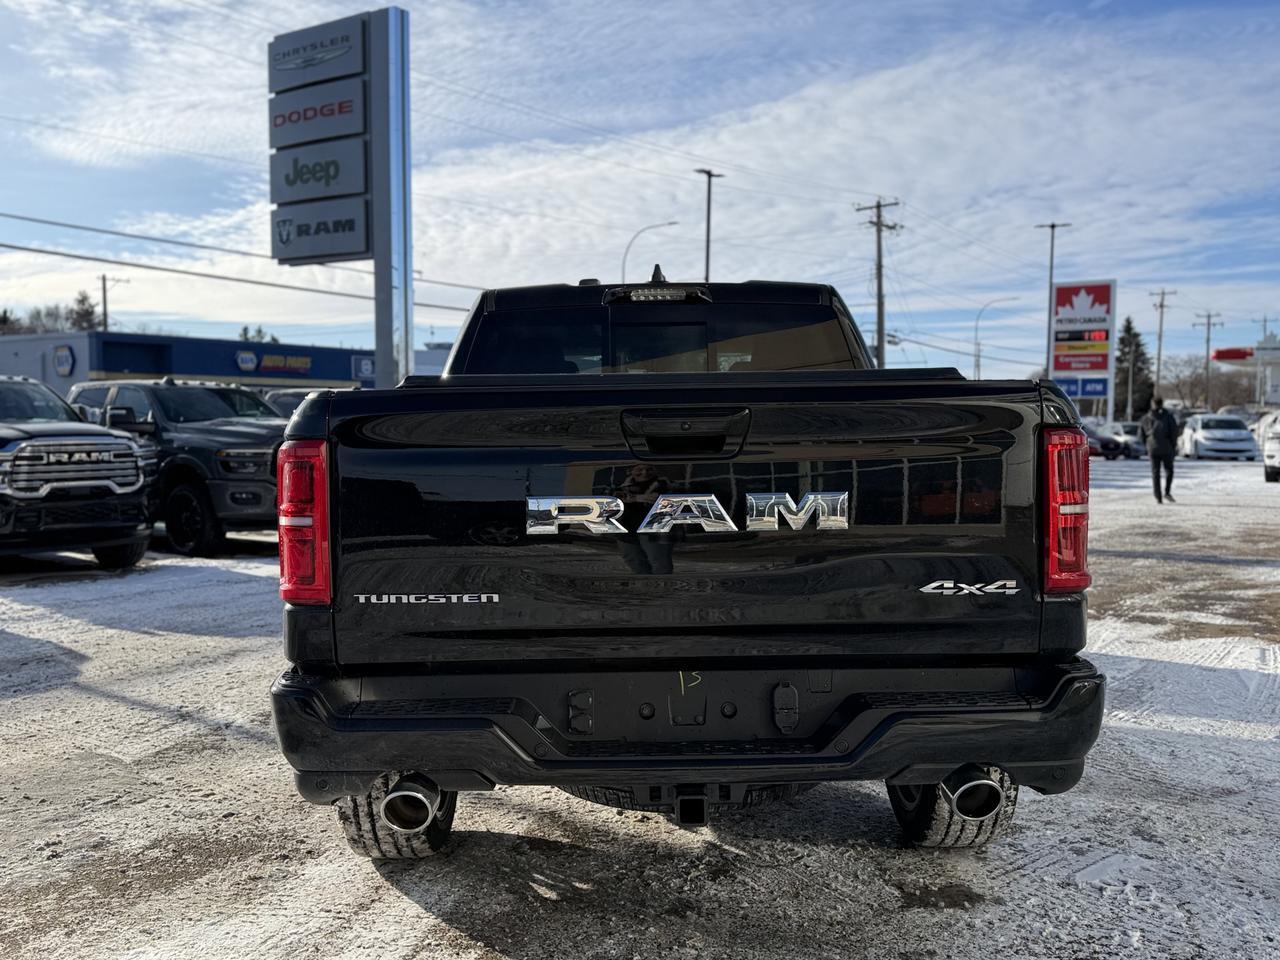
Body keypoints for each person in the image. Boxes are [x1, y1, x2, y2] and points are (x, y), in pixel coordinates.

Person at [1139, 397, 1180, 503]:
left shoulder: (1145, 418)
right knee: (1169, 471)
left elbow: (1141, 435)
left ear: (1152, 404)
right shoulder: (1169, 417)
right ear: (1162, 404)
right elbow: (1174, 432)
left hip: (1152, 448)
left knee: (1155, 473)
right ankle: (1167, 492)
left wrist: (1147, 445)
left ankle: (1158, 496)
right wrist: (1173, 445)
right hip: (1167, 448)